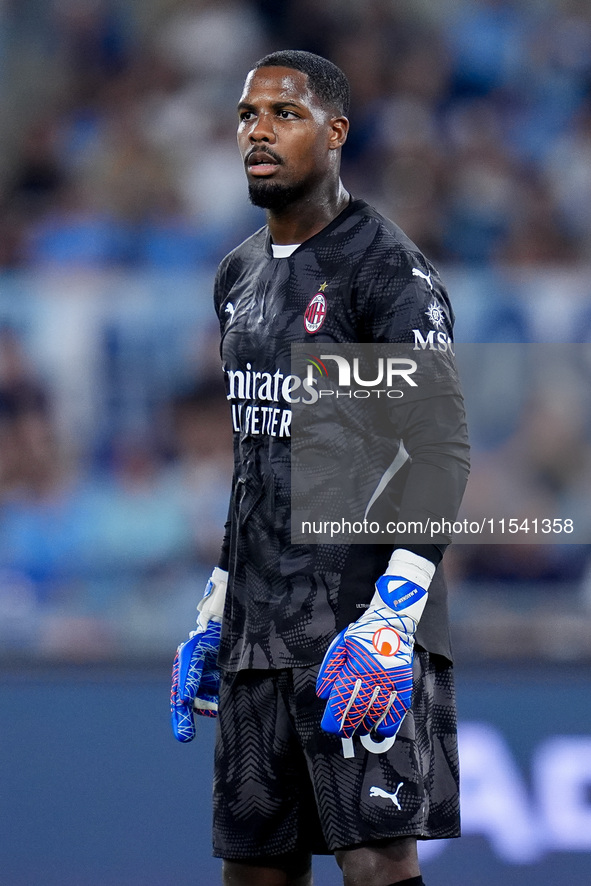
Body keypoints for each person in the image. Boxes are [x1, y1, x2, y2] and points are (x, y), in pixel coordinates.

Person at [171, 50, 470, 886]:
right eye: (246, 116)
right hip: (259, 630)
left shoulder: (384, 272)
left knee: (374, 863)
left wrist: (393, 613)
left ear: (335, 132)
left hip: (358, 622)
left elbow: (440, 448)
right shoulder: (236, 277)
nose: (258, 133)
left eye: (285, 115)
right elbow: (260, 458)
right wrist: (219, 600)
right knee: (254, 870)